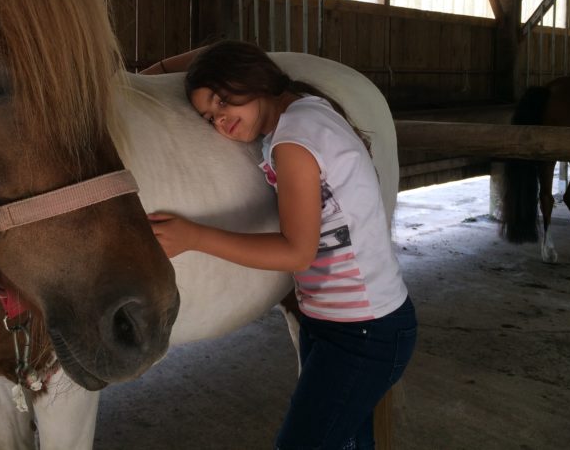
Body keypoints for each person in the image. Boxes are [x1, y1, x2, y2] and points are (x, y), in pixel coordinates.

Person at [147, 40, 417, 450]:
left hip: (363, 333)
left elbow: (297, 252)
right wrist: (149, 73)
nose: (220, 121)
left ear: (250, 79)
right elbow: (226, 49)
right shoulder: (306, 109)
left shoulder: (294, 140)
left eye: (223, 102)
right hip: (339, 324)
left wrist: (194, 236)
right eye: (209, 117)